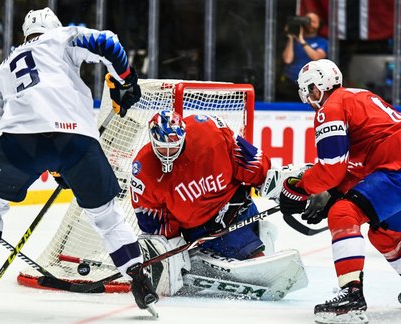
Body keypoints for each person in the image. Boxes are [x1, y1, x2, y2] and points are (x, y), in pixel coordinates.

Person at [0, 7, 158, 313]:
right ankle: (139, 279)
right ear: (53, 27)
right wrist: (126, 80)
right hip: (76, 140)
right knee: (106, 215)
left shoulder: (7, 64)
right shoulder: (61, 37)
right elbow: (107, 43)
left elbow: (8, 111)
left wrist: (47, 159)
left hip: (21, 140)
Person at [130, 110, 307, 299]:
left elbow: (250, 162)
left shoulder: (210, 131)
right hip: (199, 232)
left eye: (173, 146)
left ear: (183, 136)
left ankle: (256, 252)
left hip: (236, 209)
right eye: (162, 147)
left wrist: (275, 185)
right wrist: (173, 246)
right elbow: (153, 220)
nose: (167, 153)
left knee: (252, 255)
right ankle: (216, 260)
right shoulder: (143, 171)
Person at [279, 58, 401, 324]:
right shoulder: (359, 97)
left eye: (308, 90)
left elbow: (331, 169)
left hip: (396, 169)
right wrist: (333, 191)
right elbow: (360, 164)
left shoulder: (330, 108)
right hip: (392, 169)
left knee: (344, 213)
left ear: (315, 87)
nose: (309, 99)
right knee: (384, 233)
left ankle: (350, 296)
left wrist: (299, 189)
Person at [277, 12, 328, 101]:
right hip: (291, 82)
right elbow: (287, 59)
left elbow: (316, 57)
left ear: (319, 24)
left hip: (311, 84)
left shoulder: (322, 41)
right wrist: (291, 37)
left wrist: (302, 40)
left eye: (314, 21)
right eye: (307, 20)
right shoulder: (294, 40)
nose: (310, 23)